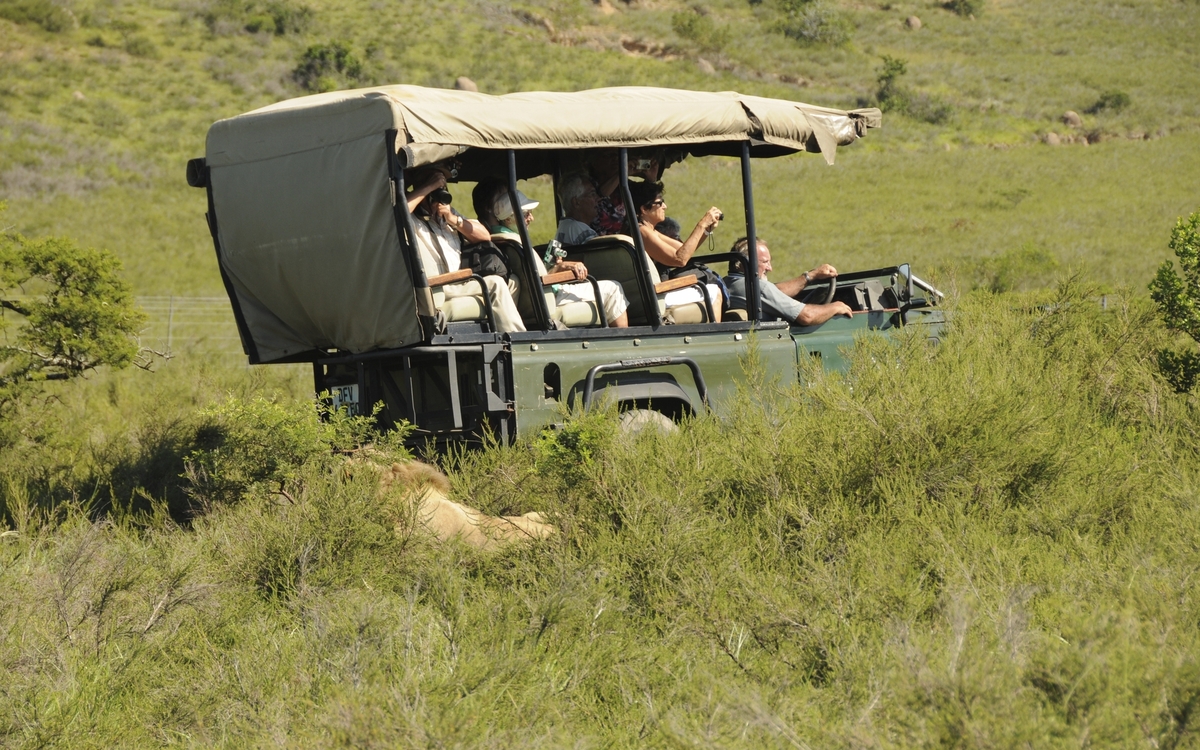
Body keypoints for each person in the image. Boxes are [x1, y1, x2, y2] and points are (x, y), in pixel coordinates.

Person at [406, 167, 526, 333]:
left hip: (460, 280)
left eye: (443, 185)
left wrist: (453, 219)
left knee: (512, 282)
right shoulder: (412, 217)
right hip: (438, 285)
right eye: (437, 186)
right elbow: (396, 214)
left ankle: (500, 336)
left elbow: (484, 235)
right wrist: (428, 187)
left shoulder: (447, 214)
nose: (441, 191)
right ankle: (516, 341)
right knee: (495, 284)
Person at [491, 186, 630, 327]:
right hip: (550, 296)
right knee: (613, 288)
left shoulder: (501, 239)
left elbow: (533, 277)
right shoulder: (518, 243)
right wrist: (560, 268)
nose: (531, 218)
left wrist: (554, 267)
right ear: (508, 219)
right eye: (526, 214)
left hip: (541, 296)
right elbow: (539, 281)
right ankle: (625, 345)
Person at [629, 180, 724, 321]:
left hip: (650, 294)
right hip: (653, 296)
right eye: (660, 203)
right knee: (714, 291)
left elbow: (683, 250)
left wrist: (705, 230)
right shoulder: (641, 232)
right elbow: (679, 259)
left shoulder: (648, 230)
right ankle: (714, 335)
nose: (665, 206)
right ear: (644, 209)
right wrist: (701, 224)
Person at [724, 236, 852, 326]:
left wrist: (810, 276)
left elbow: (775, 291)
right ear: (743, 263)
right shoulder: (756, 287)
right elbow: (806, 316)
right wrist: (836, 307)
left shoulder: (728, 283)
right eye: (764, 262)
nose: (770, 268)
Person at [554, 172, 599, 245]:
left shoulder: (565, 226)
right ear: (576, 202)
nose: (597, 198)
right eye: (592, 194)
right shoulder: (582, 231)